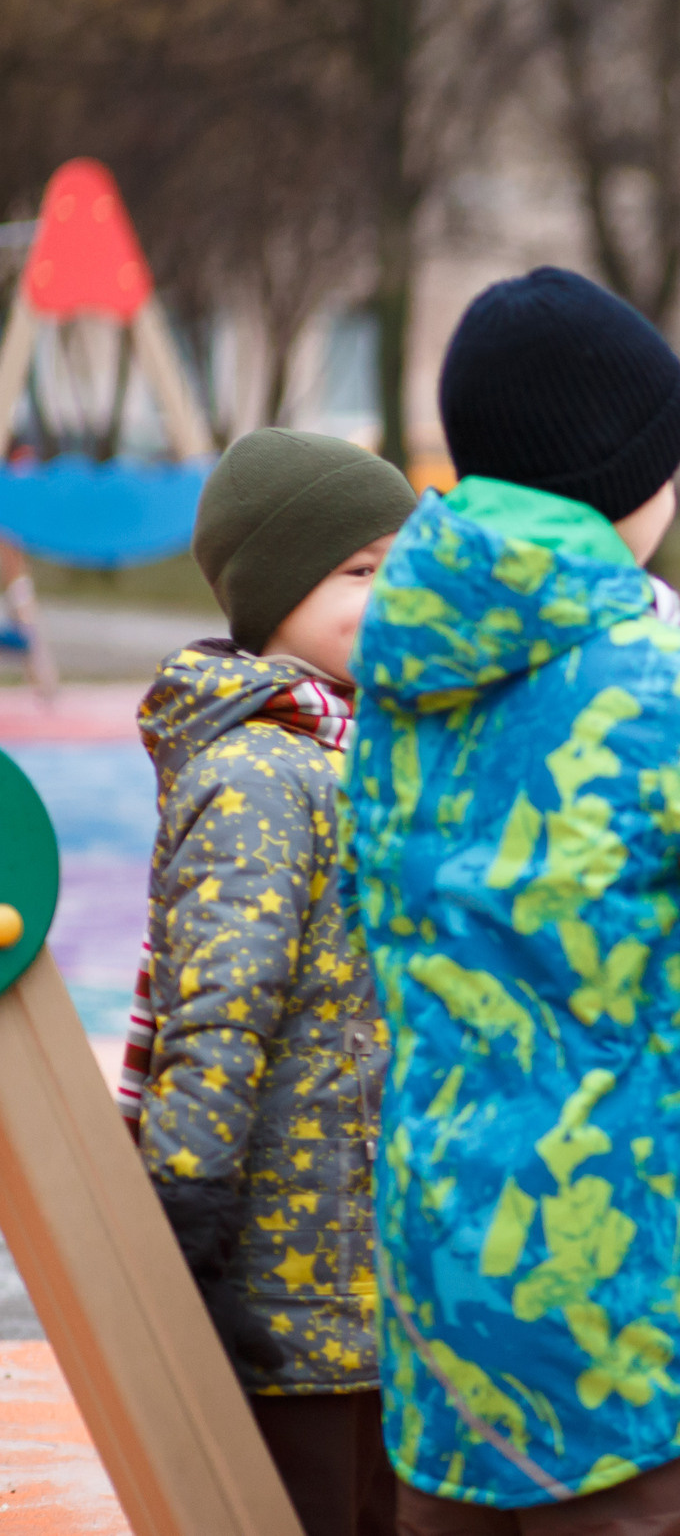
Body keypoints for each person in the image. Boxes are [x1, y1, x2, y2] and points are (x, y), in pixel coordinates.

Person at [341, 269, 680, 1534]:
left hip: (440, 1271)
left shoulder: (396, 671)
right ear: (630, 484)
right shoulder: (663, 676)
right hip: (638, 1280)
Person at [140, 426, 417, 1536]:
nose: (391, 593)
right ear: (277, 587)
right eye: (359, 571)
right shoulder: (262, 771)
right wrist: (188, 1205)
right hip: (290, 1285)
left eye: (404, 564)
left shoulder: (364, 749)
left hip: (376, 1276)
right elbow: (218, 1011)